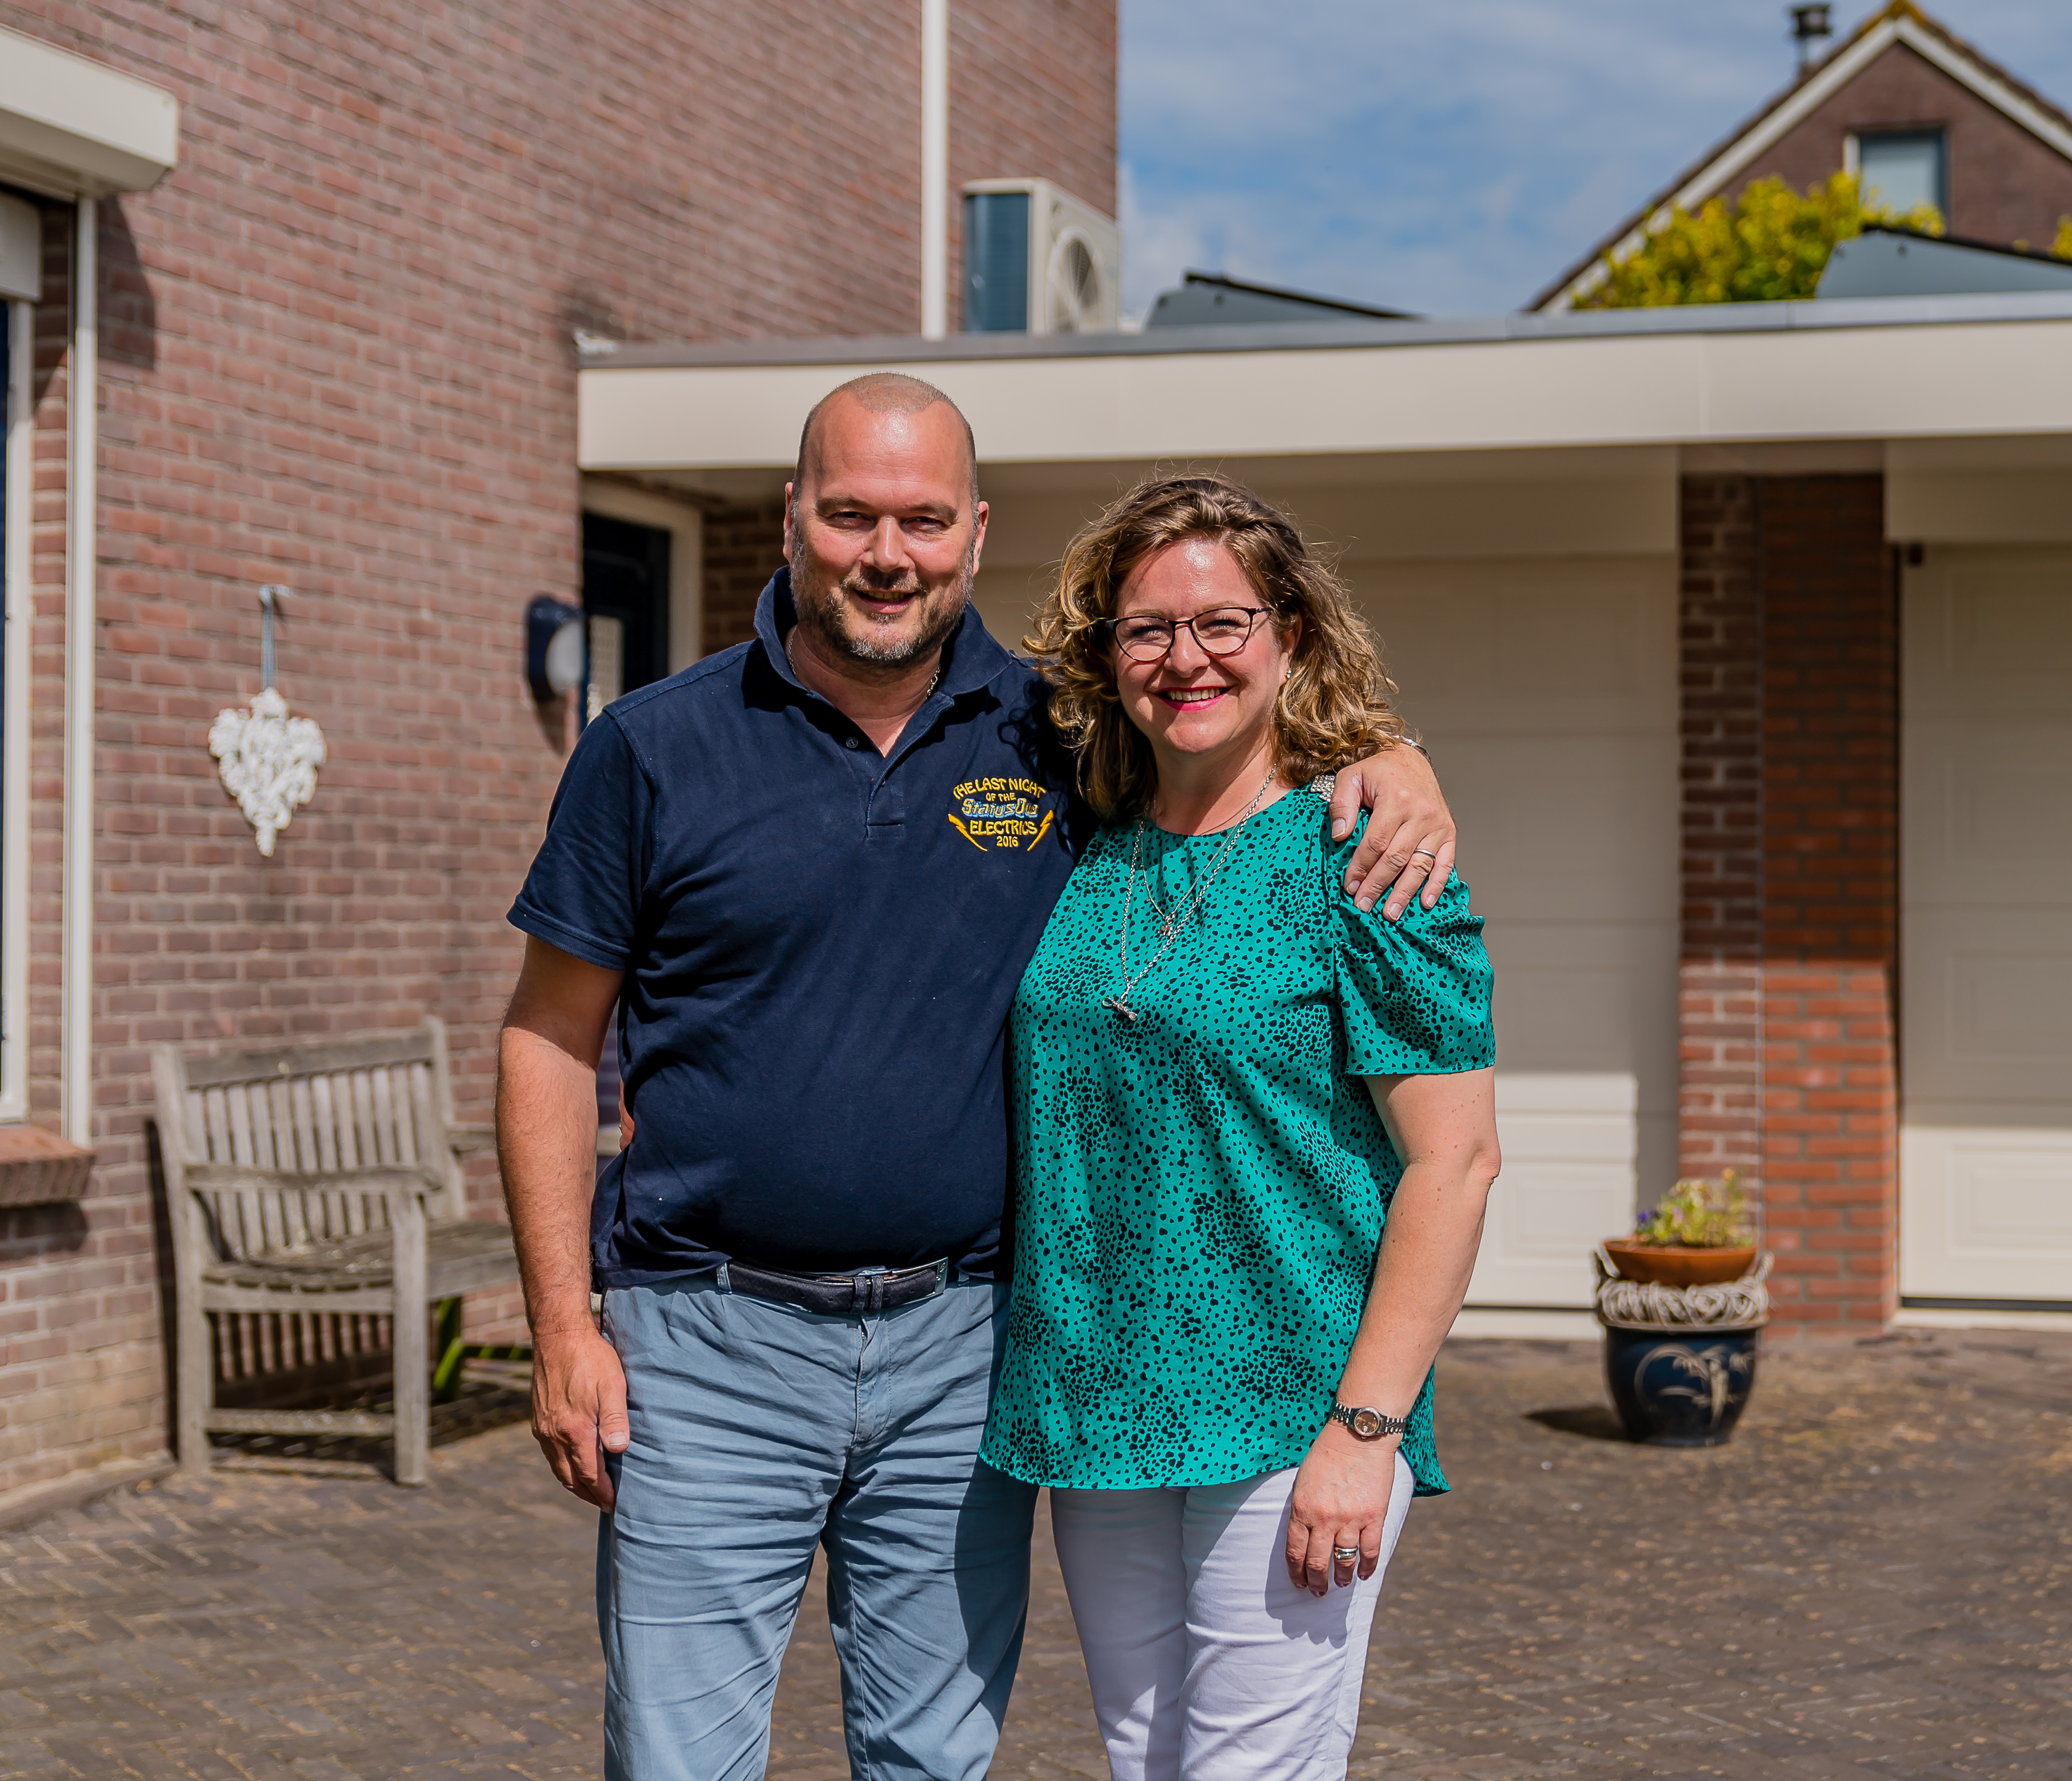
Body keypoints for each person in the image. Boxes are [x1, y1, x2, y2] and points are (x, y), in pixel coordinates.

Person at [493, 375, 1458, 1781]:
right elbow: (544, 1037)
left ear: (974, 529)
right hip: (703, 1346)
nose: (888, 550)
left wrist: (1393, 756)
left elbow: (1233, 730)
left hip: (966, 1353)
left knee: (930, 1762)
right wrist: (562, 1328)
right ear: (792, 517)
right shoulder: (652, 746)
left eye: (924, 518)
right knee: (674, 1759)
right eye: (851, 514)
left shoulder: (1060, 734)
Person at [983, 475, 1501, 1781]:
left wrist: (1364, 1432)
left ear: (1291, 636)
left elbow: (1458, 1157)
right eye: (1146, 628)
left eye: (1224, 621)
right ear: (1107, 655)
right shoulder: (1078, 844)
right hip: (1098, 1406)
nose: (1186, 657)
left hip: (1290, 1413)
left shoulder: (1367, 859)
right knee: (1143, 1755)